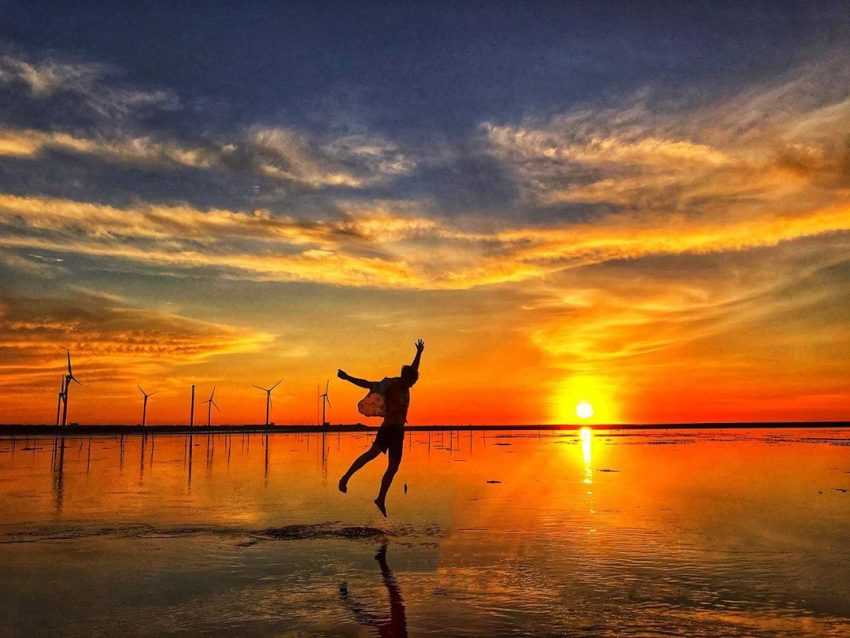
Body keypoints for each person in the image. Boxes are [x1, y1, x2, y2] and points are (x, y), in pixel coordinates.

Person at [337, 339, 424, 517]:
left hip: (399, 431)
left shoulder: (407, 383)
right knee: (372, 454)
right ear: (405, 377)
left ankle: (380, 499)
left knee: (393, 467)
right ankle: (345, 477)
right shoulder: (391, 384)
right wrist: (347, 378)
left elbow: (413, 369)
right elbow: (368, 384)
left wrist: (419, 353)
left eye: (413, 382)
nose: (412, 385)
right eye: (411, 381)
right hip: (388, 429)